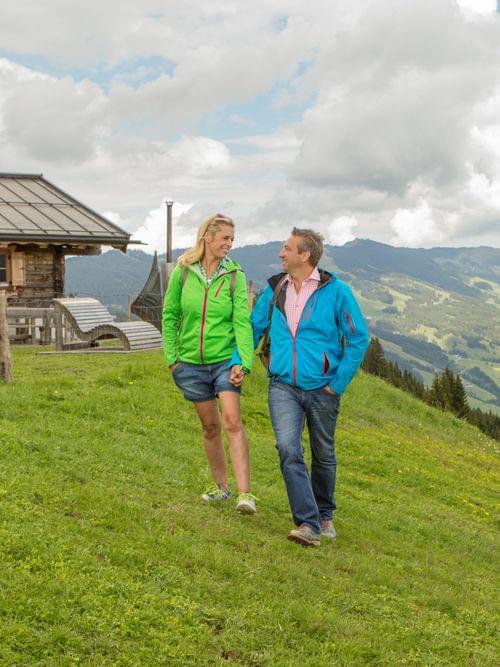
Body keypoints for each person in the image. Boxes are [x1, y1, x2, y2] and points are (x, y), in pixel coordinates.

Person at [248, 228, 369, 545]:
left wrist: (337, 384)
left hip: (323, 387)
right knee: (288, 448)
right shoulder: (275, 288)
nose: (280, 254)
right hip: (283, 385)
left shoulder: (336, 291)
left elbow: (358, 339)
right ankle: (308, 523)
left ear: (305, 255)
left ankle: (325, 515)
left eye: (286, 248)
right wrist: (239, 361)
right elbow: (253, 327)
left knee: (323, 453)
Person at [162, 213, 257, 514]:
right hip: (189, 363)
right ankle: (221, 488)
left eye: (232, 239)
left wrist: (244, 361)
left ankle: (245, 494)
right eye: (225, 238)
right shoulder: (184, 272)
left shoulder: (234, 276)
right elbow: (169, 316)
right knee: (210, 426)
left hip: (224, 361)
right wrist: (172, 360)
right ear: (207, 237)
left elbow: (242, 320)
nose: (229, 244)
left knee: (231, 421)